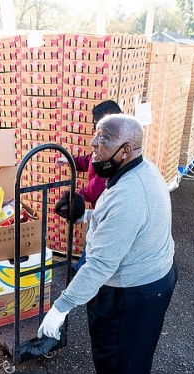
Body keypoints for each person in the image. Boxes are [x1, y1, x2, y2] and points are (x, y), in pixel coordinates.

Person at [38, 114, 177, 374]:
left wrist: (61, 307)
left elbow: (99, 265)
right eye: (95, 137)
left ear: (126, 149)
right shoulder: (141, 171)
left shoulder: (128, 194)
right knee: (137, 351)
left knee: (113, 355)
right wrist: (84, 214)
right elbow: (120, 225)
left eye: (104, 139)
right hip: (154, 279)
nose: (94, 145)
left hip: (133, 289)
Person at [53, 100, 122, 272]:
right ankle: (81, 268)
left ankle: (82, 270)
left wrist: (75, 199)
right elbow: (88, 160)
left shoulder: (112, 151)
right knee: (92, 238)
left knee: (95, 240)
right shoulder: (103, 144)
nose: (94, 136)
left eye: (97, 126)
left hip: (104, 207)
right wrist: (70, 161)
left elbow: (97, 187)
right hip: (98, 206)